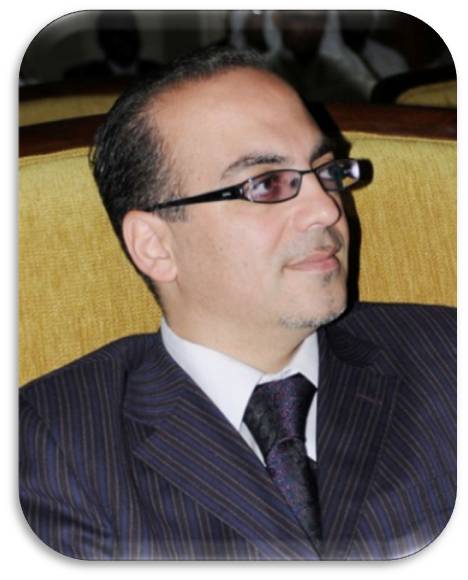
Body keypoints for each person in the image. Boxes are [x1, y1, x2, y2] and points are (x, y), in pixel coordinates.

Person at [19, 46, 456, 561]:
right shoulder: (51, 443)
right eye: (266, 184)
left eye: (326, 171)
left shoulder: (448, 357)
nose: (325, 209)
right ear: (155, 246)